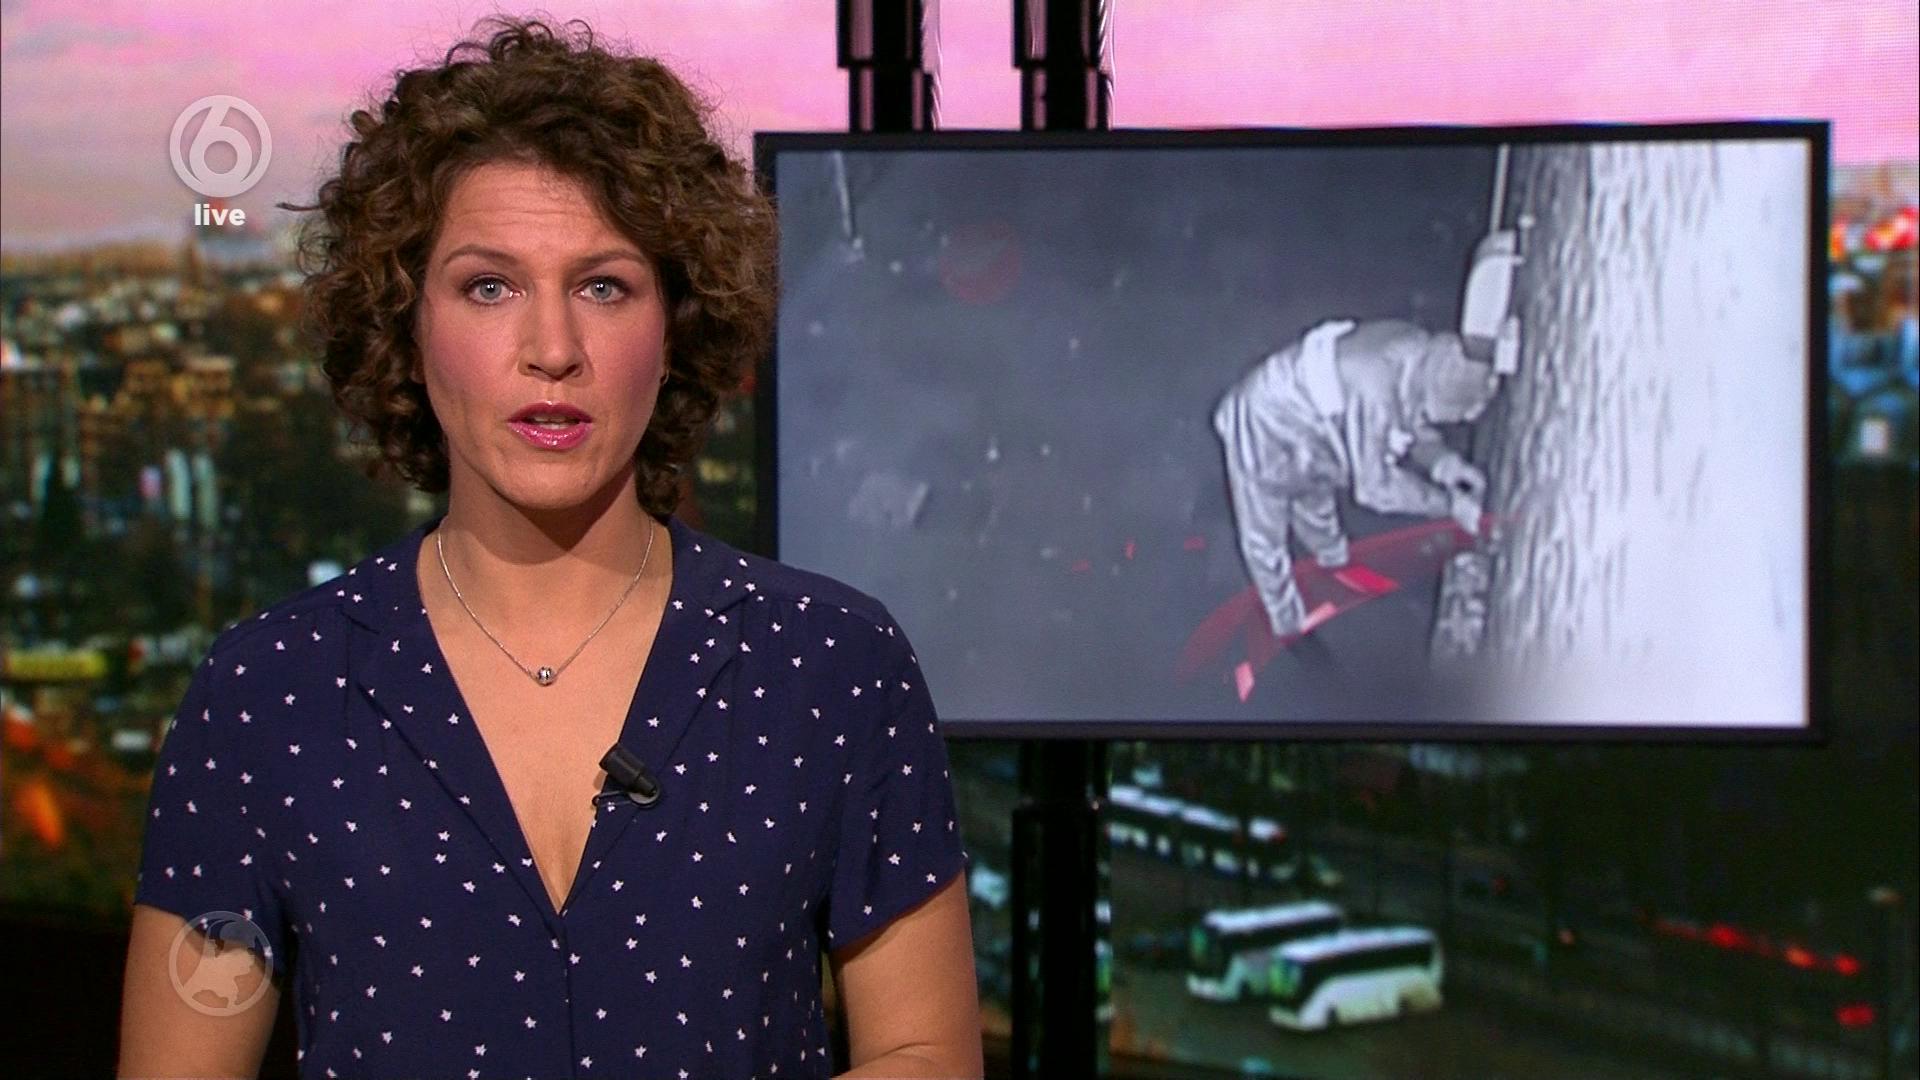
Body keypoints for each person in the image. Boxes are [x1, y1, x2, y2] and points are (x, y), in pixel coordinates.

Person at [119, 17, 982, 1080]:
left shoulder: (832, 664)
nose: (553, 350)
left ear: (676, 326)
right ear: (406, 326)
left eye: (603, 286)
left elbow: (923, 1053)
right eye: (489, 287)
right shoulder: (269, 693)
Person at [1213, 317, 1498, 639]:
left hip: (1311, 424)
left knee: (1315, 487)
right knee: (1265, 534)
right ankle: (1288, 624)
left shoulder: (1416, 351)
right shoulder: (1375, 391)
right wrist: (1447, 505)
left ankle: (1332, 559)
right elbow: (1375, 487)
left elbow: (1409, 416)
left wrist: (1443, 463)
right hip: (1259, 422)